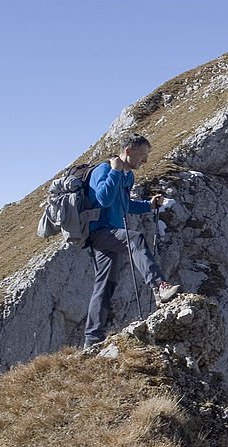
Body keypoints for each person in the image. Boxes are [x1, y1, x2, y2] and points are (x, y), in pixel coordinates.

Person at [83, 133, 180, 348]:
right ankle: (159, 286)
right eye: (142, 155)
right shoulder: (104, 170)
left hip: (112, 233)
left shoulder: (127, 177)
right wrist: (115, 171)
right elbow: (103, 199)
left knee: (105, 285)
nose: (145, 161)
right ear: (128, 152)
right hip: (98, 231)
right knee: (135, 239)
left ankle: (92, 339)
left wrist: (149, 205)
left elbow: (125, 206)